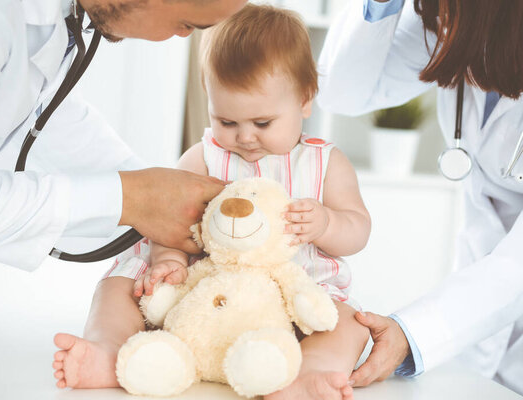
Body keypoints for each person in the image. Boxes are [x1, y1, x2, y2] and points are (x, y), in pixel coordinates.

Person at [52, 4, 371, 399]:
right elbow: (165, 221)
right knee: (118, 284)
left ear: (305, 99)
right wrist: (166, 259)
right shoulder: (204, 156)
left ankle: (307, 373)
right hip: (201, 297)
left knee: (349, 321)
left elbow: (357, 230)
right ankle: (109, 349)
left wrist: (326, 224)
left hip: (293, 300)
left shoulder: (325, 164)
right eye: (227, 121)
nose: (245, 137)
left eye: (262, 123)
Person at [0, 0, 246, 269]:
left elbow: (42, 107)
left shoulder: (63, 15)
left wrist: (158, 196)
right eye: (186, 24)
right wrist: (130, 199)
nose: (177, 36)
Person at [317, 0, 523, 395]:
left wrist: (411, 332)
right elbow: (337, 90)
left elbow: (516, 264)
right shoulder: (456, 20)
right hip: (476, 311)